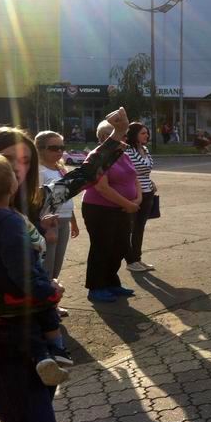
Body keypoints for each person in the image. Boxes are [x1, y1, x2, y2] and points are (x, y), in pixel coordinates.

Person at [0, 107, 129, 422]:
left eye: (26, 160)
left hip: (39, 335)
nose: (19, 168)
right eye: (7, 158)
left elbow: (83, 176)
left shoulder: (33, 202)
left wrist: (116, 138)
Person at [0, 154, 72, 385]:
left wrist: (38, 226)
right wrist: (47, 292)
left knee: (25, 325)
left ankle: (41, 357)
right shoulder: (10, 222)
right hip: (20, 291)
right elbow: (22, 267)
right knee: (45, 313)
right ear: (11, 185)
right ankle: (58, 351)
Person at [81, 121, 141, 303]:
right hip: (100, 209)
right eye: (122, 136)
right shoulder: (98, 156)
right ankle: (96, 287)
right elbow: (102, 187)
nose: (126, 139)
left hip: (122, 209)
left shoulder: (122, 154)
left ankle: (111, 282)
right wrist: (127, 204)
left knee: (120, 246)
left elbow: (134, 177)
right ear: (107, 137)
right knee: (102, 247)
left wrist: (137, 199)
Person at [35, 131, 80, 316]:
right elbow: (37, 202)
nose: (59, 151)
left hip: (64, 219)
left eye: (62, 147)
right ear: (40, 149)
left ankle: (52, 302)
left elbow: (65, 196)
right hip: (49, 222)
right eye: (54, 148)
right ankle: (44, 306)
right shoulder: (39, 171)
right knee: (47, 264)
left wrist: (73, 220)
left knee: (57, 264)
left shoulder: (61, 169)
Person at [124, 122, 157, 273]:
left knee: (140, 228)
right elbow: (129, 173)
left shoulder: (145, 149)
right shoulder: (127, 151)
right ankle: (130, 261)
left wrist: (150, 182)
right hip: (133, 193)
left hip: (148, 192)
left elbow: (145, 171)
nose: (146, 135)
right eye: (143, 133)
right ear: (134, 134)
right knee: (129, 228)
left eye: (147, 133)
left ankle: (137, 259)